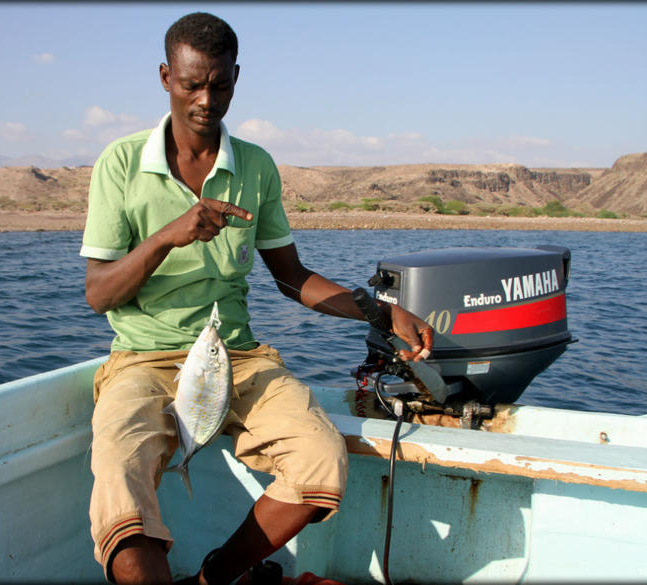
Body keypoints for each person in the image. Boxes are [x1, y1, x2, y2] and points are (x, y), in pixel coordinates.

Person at [80, 12, 433, 585]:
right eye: (192, 83)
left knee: (323, 459)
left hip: (235, 357)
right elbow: (99, 294)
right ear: (166, 76)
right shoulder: (121, 163)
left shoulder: (256, 166)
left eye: (219, 84)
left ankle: (215, 577)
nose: (205, 99)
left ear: (236, 78)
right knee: (119, 482)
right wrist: (170, 235)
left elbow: (291, 278)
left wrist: (382, 311)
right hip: (143, 359)